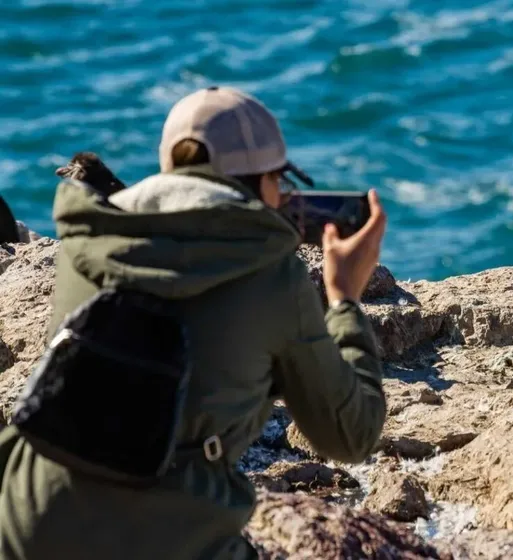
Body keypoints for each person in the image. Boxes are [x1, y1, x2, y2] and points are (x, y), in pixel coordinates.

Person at [0, 86, 388, 559]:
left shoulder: (87, 241)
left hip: (23, 519)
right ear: (261, 181)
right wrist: (344, 297)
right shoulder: (270, 273)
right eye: (280, 179)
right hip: (166, 537)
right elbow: (351, 435)